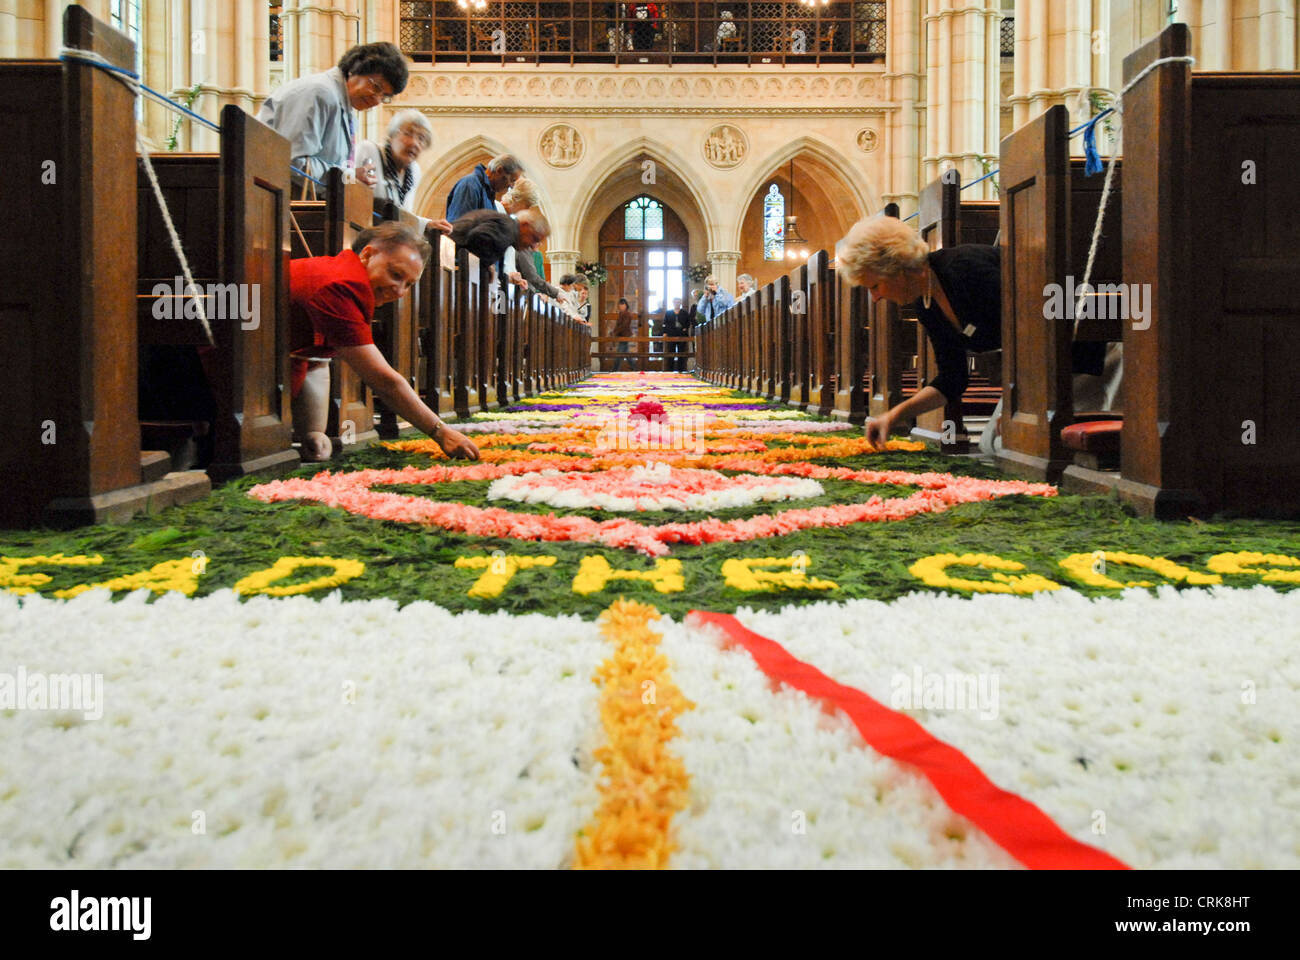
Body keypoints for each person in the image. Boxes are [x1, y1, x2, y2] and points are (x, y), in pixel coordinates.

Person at [836, 214, 1116, 454]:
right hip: (1042, 369)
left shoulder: (965, 269)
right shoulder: (927, 304)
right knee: (994, 442)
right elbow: (952, 379)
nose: (874, 298)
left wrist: (1025, 406)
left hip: (1083, 357)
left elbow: (1037, 332)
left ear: (896, 269)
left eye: (874, 286)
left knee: (1017, 443)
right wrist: (894, 415)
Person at [289, 221, 479, 462]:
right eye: (395, 274)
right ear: (367, 254)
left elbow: (317, 360)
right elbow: (384, 381)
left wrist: (313, 431)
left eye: (408, 284)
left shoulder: (345, 275)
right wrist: (441, 432)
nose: (399, 291)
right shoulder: (341, 285)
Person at [257, 42, 408, 188]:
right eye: (376, 87)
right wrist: (348, 176)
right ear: (356, 69)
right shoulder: (319, 93)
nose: (376, 100)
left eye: (384, 97)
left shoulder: (344, 108)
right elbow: (292, 163)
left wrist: (351, 177)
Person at [354, 109, 451, 236]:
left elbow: (402, 215)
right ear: (392, 135)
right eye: (408, 134)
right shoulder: (369, 151)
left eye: (421, 138)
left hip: (389, 239)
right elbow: (353, 194)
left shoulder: (414, 171)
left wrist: (426, 224)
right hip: (361, 234)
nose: (414, 143)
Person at [448, 208, 550, 284]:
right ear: (525, 225)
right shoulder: (507, 229)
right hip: (449, 268)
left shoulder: (507, 226)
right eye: (534, 239)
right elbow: (477, 237)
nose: (533, 246)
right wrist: (485, 265)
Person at [445, 154, 524, 222]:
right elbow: (459, 226)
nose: (511, 185)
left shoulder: (488, 192)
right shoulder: (470, 185)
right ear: (499, 171)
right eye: (512, 180)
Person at [663, 296, 688, 371]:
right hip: (671, 334)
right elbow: (665, 323)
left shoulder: (684, 313)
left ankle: (681, 369)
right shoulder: (668, 312)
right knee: (671, 352)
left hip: (681, 335)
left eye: (678, 302)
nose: (677, 304)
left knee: (681, 353)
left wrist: (685, 328)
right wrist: (665, 332)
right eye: (675, 302)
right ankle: (670, 370)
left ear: (680, 303)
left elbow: (687, 322)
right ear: (673, 303)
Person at [611, 298, 635, 371]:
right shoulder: (621, 314)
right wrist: (614, 331)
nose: (621, 306)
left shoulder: (627, 314)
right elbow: (618, 325)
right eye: (620, 304)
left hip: (625, 335)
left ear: (626, 305)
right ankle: (634, 368)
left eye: (623, 304)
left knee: (619, 353)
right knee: (626, 354)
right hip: (621, 335)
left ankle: (615, 370)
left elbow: (624, 325)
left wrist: (615, 332)